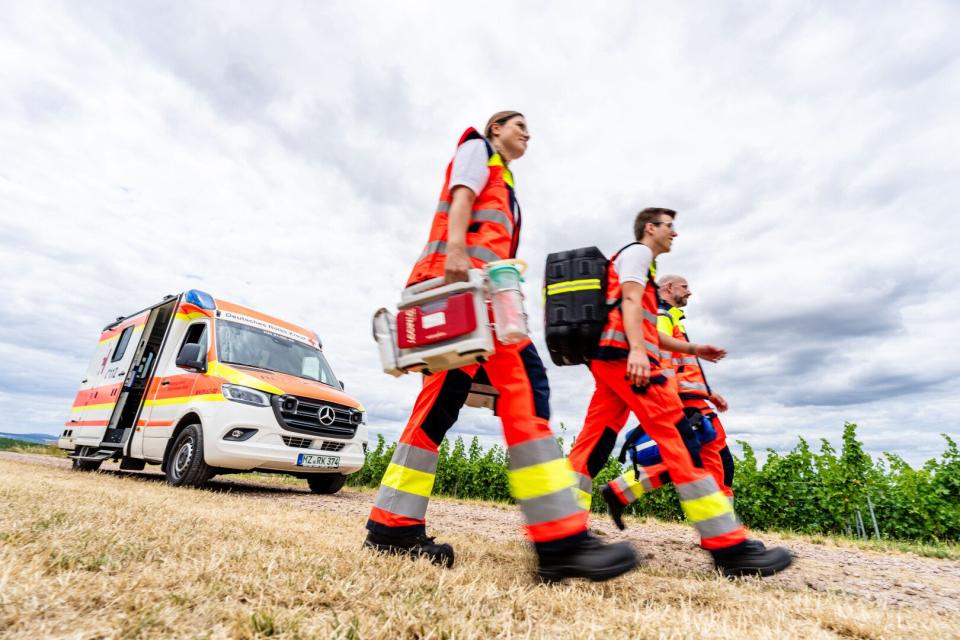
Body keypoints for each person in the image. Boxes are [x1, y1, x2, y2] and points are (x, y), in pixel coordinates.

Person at [364, 111, 637, 582]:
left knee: (436, 410)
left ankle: (392, 526)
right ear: (496, 130)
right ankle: (559, 540)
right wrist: (454, 252)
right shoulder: (478, 151)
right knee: (527, 389)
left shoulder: (505, 181)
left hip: (473, 301)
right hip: (468, 295)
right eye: (518, 125)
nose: (527, 133)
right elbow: (460, 196)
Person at [566, 207, 792, 576]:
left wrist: (693, 350)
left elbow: (652, 328)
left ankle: (564, 531)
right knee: (683, 444)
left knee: (592, 443)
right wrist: (639, 351)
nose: (675, 233)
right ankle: (729, 549)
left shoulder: (641, 265)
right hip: (628, 360)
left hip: (610, 359)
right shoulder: (638, 254)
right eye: (670, 226)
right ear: (650, 228)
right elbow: (630, 303)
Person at [657, 274, 736, 498]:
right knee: (717, 461)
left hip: (691, 398)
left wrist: (709, 394)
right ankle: (725, 528)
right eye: (684, 286)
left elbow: (683, 366)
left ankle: (618, 492)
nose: (689, 291)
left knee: (695, 461)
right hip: (684, 400)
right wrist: (671, 396)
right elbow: (661, 355)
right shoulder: (662, 315)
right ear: (669, 287)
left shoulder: (671, 318)